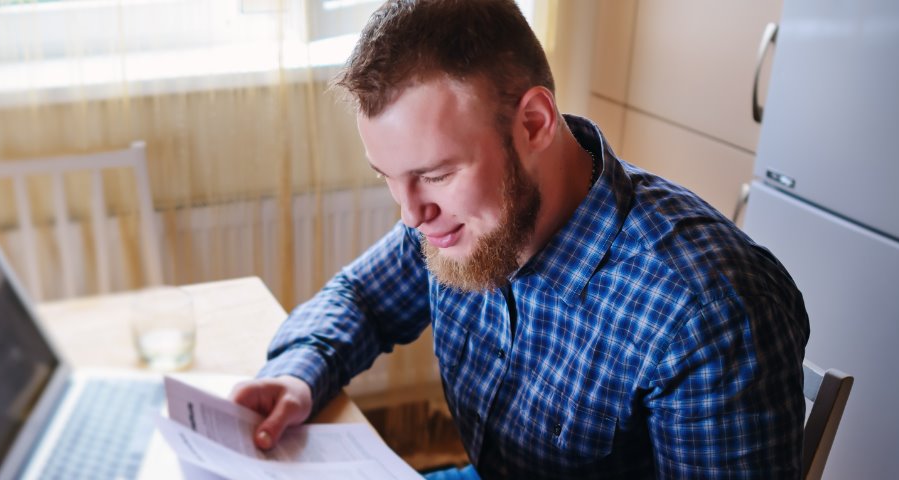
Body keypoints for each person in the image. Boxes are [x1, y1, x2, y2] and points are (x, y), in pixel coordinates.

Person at [229, 0, 811, 478]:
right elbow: (362, 298)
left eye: (434, 174)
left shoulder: (706, 311)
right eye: (390, 179)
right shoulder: (456, 221)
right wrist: (297, 375)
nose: (411, 216)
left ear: (534, 123)